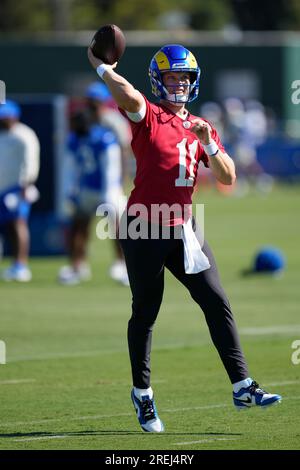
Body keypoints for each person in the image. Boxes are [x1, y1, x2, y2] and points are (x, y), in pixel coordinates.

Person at [87, 44, 281, 433]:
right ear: (160, 80)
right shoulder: (149, 115)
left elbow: (228, 178)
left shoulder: (199, 125)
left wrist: (209, 141)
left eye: (184, 77)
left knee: (216, 300)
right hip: (143, 226)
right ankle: (143, 395)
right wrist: (102, 67)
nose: (179, 83)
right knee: (146, 311)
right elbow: (126, 94)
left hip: (185, 227)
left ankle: (243, 386)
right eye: (172, 77)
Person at [58, 110, 129, 286]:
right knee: (78, 226)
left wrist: (110, 193)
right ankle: (77, 266)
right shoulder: (74, 139)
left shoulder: (104, 138)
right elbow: (70, 167)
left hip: (107, 189)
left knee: (120, 228)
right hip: (86, 189)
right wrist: (70, 192)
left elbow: (110, 167)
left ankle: (123, 267)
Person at [85, 82, 132, 284]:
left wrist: (122, 179)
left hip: (111, 181)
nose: (93, 104)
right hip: (88, 179)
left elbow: (123, 150)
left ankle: (121, 264)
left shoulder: (113, 121)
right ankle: (79, 264)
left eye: (96, 100)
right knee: (82, 222)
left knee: (116, 223)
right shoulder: (84, 121)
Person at [0, 100, 40, 282]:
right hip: (2, 189)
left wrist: (25, 185)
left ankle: (20, 265)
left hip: (17, 189)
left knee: (17, 224)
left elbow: (30, 162)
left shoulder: (24, 135)